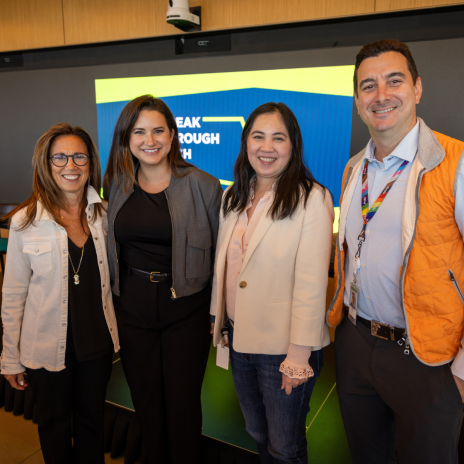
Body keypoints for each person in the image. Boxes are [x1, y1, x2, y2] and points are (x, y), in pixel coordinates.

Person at [327, 39, 464, 464]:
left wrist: (462, 371)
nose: (381, 95)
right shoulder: (354, 168)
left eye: (394, 81)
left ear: (418, 88)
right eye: (368, 86)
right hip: (356, 344)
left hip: (427, 358)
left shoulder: (454, 162)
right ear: (356, 99)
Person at [210, 102, 333, 464]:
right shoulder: (234, 195)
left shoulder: (312, 198)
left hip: (283, 349)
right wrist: (220, 323)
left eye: (278, 138)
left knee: (285, 446)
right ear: (245, 142)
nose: (267, 147)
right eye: (258, 137)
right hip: (239, 340)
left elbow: (311, 284)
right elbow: (228, 270)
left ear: (293, 145)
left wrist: (298, 356)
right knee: (258, 433)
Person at [103, 95, 223, 464]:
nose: (149, 140)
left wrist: (218, 313)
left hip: (186, 308)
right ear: (126, 138)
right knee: (146, 402)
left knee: (183, 405)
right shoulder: (117, 183)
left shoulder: (203, 184)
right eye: (139, 132)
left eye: (158, 130)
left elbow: (221, 255)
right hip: (131, 305)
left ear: (172, 135)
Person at [0, 123, 119, 464]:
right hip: (46, 345)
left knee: (92, 424)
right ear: (46, 163)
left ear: (90, 162)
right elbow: (13, 296)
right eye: (60, 157)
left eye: (79, 156)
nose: (71, 165)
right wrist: (10, 357)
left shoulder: (106, 215)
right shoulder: (25, 221)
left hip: (96, 344)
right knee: (53, 427)